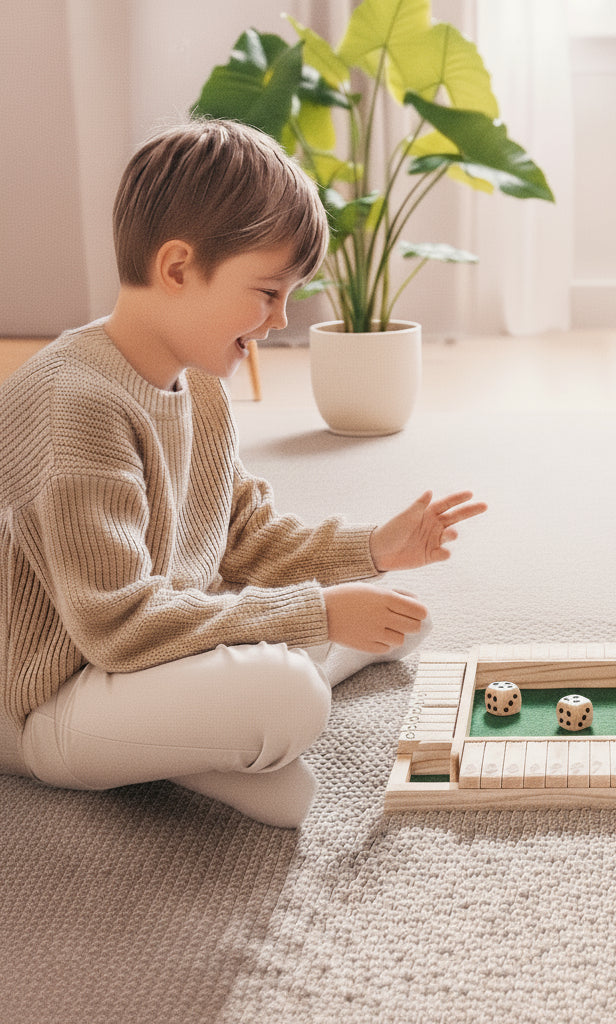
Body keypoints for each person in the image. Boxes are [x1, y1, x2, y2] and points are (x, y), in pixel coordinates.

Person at [0, 119, 486, 828]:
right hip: (52, 695)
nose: (281, 319)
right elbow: (116, 625)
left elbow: (247, 538)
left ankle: (209, 746)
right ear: (177, 269)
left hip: (143, 658)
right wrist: (320, 615)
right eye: (267, 292)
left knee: (398, 617)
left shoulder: (198, 384)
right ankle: (226, 733)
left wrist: (375, 547)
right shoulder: (73, 406)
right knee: (293, 694)